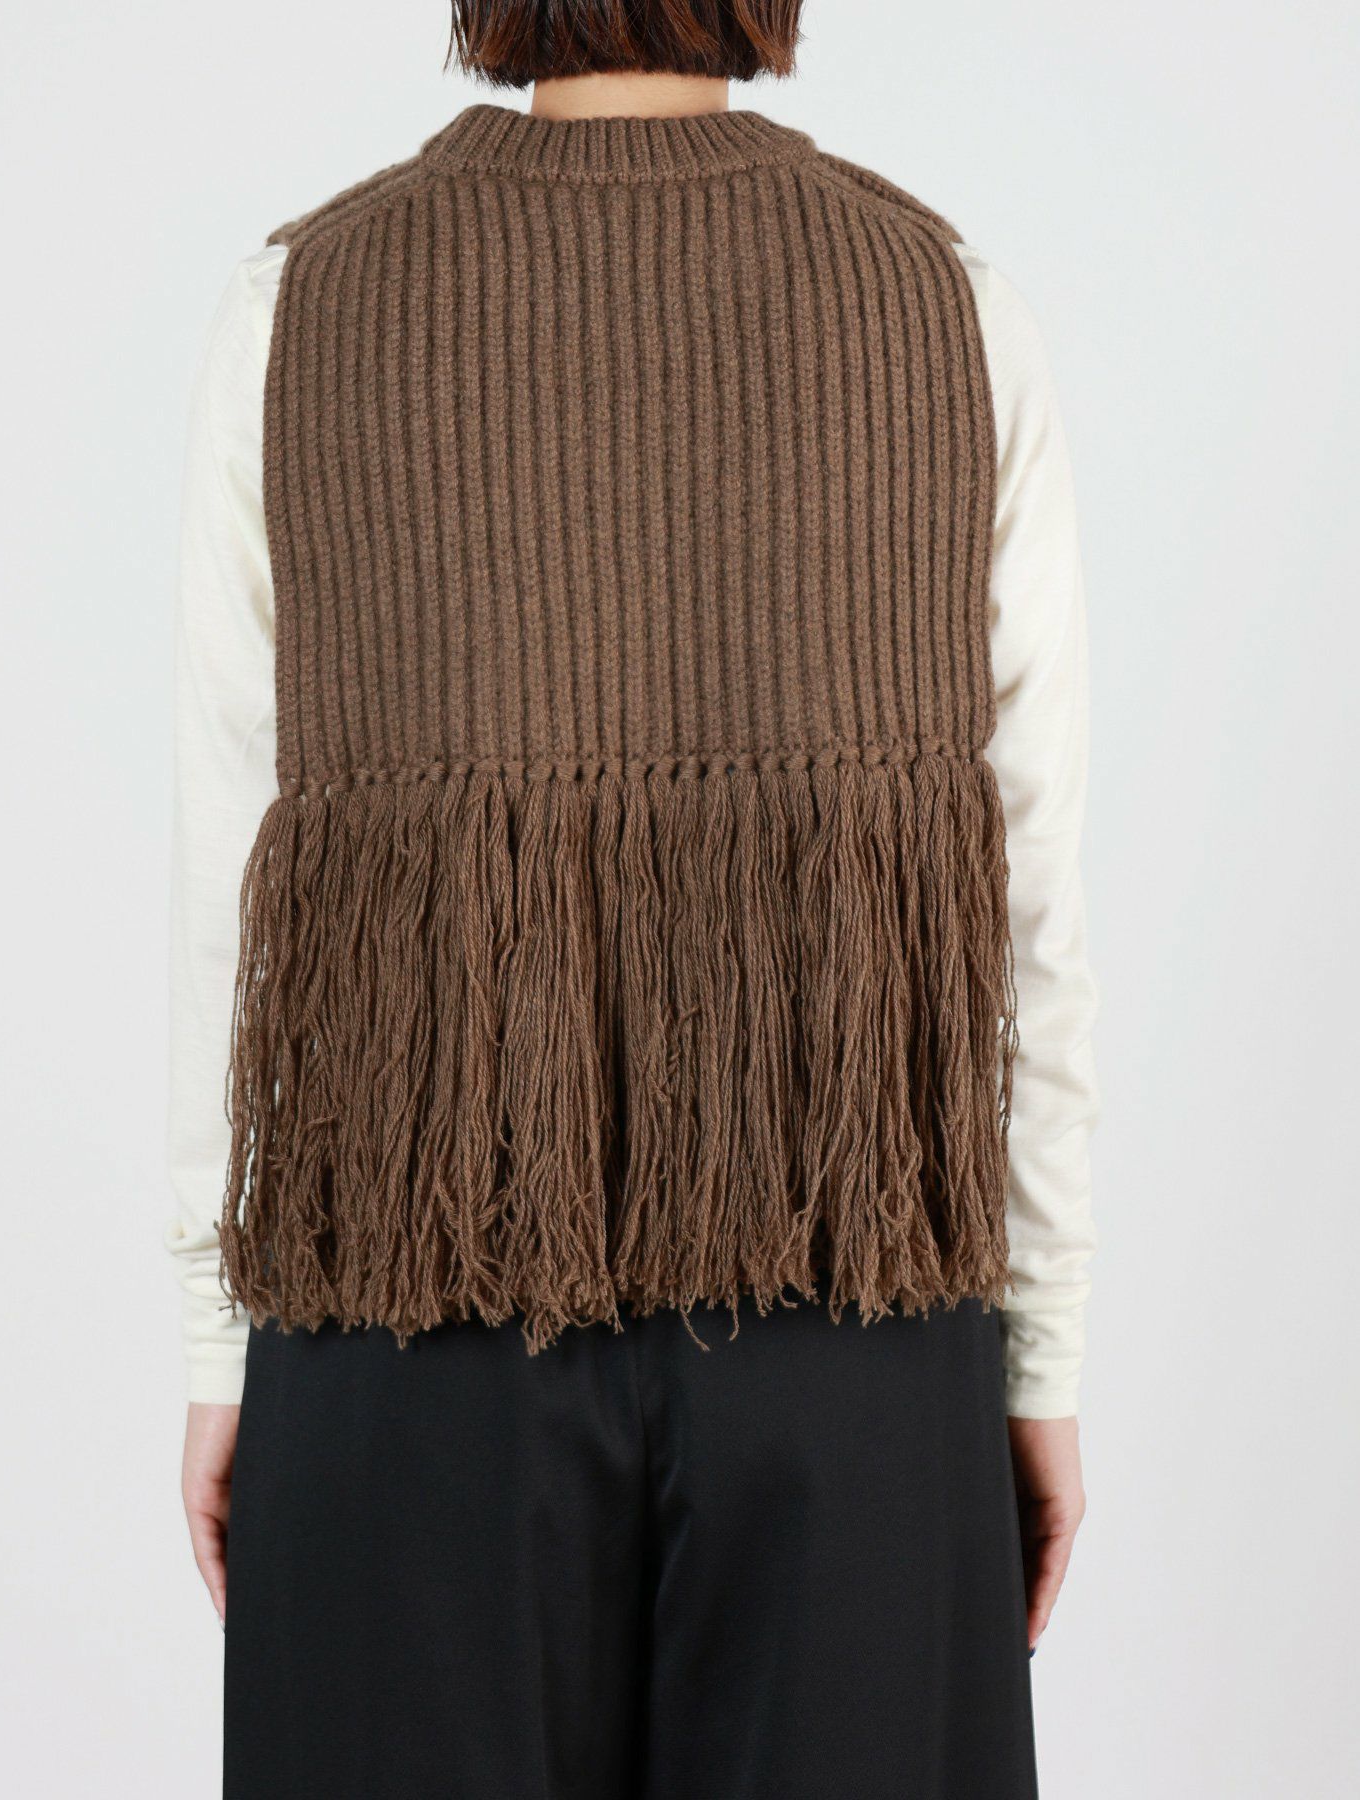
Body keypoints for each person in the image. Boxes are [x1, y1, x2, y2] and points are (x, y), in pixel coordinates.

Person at [167, 3, 1098, 1793]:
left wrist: (223, 1338)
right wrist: (1041, 1356)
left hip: (416, 1324)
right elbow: (1033, 899)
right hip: (851, 1322)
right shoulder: (944, 300)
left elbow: (239, 892)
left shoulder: (301, 305)